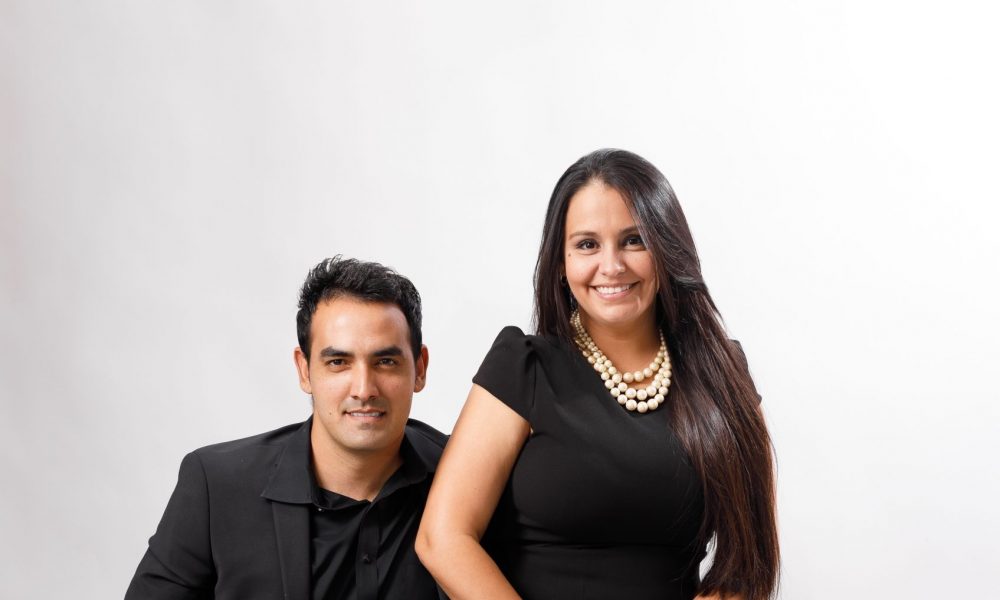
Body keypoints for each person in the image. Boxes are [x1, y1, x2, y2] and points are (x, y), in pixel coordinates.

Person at [416, 149, 779, 600]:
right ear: (561, 261)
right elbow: (444, 538)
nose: (612, 266)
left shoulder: (722, 373)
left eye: (634, 240)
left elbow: (748, 560)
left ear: (667, 249)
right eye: (587, 244)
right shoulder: (523, 367)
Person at [126, 256, 447, 600]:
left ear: (420, 369)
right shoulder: (216, 487)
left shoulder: (465, 480)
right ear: (304, 370)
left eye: (385, 361)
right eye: (338, 362)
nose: (364, 389)